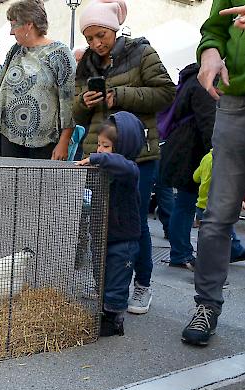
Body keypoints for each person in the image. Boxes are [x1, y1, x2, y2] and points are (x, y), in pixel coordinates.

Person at [74, 0, 175, 315]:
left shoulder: (141, 52)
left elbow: (166, 93)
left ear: (114, 29)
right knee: (100, 219)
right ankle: (106, 280)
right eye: (89, 38)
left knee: (135, 222)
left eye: (100, 35)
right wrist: (85, 102)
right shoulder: (87, 63)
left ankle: (142, 283)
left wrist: (122, 96)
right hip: (99, 153)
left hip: (137, 152)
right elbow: (75, 111)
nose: (96, 44)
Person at [180, 2, 245, 346]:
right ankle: (206, 306)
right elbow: (215, 27)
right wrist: (209, 52)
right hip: (233, 103)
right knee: (217, 216)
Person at [0, 0, 76, 160]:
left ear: (29, 24)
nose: (11, 32)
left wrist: (64, 141)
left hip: (45, 141)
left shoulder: (60, 54)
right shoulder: (15, 51)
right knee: (12, 184)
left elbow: (68, 101)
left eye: (14, 25)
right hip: (10, 137)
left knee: (40, 185)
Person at [76, 112, 144, 336]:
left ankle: (114, 318)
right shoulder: (102, 170)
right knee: (101, 273)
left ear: (123, 146)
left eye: (105, 145)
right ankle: (104, 309)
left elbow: (120, 164)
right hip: (102, 235)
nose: (99, 150)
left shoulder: (129, 170)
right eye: (98, 145)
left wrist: (98, 158)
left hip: (123, 239)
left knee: (117, 279)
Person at [158, 63, 215, 270]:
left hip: (181, 148)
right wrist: (214, 150)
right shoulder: (205, 82)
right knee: (186, 203)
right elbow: (208, 119)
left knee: (185, 202)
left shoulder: (191, 79)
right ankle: (180, 253)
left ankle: (181, 252)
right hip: (191, 151)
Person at [193, 149, 245, 263]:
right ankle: (231, 252)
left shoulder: (206, 158)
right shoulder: (224, 162)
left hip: (201, 204)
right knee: (224, 229)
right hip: (216, 204)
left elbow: (195, 177)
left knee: (204, 232)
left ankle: (203, 255)